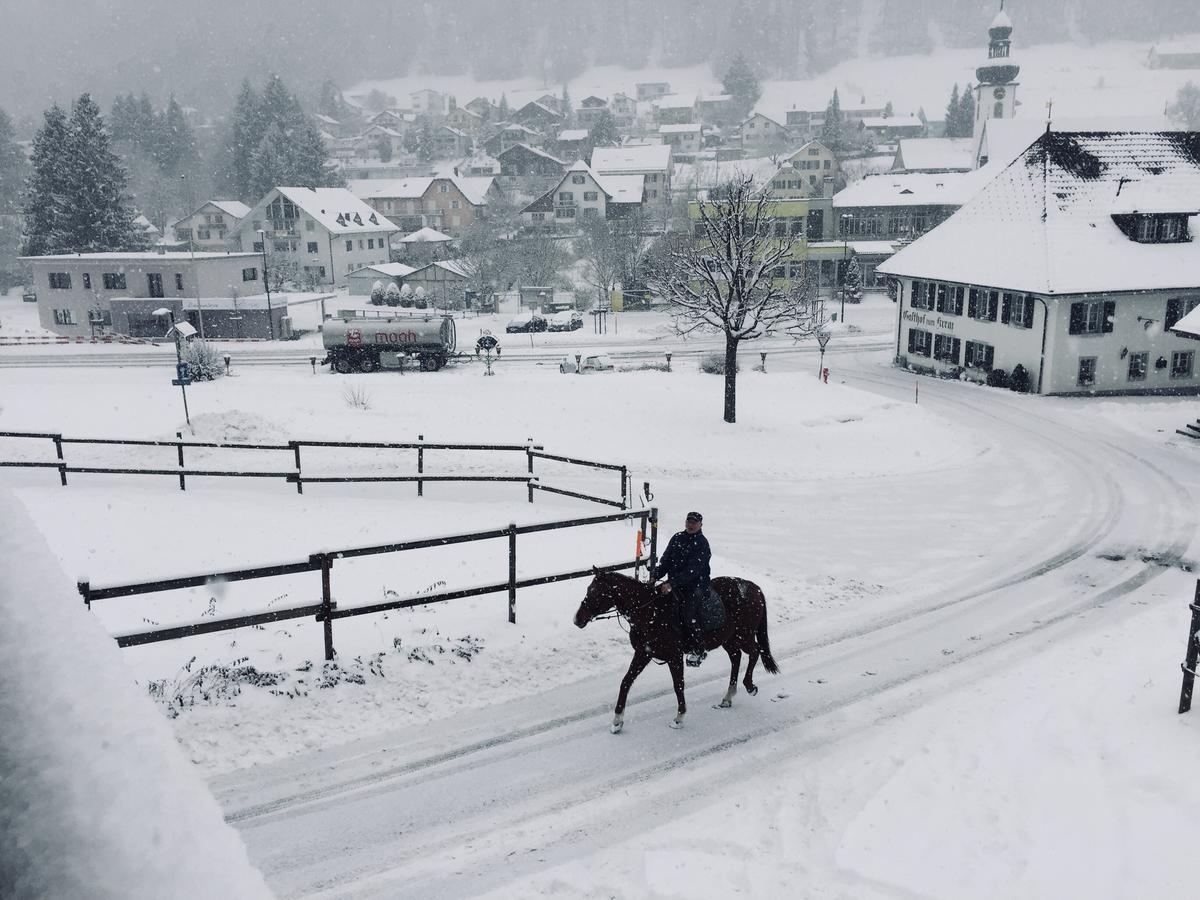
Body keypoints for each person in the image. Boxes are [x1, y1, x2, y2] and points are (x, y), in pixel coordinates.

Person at [652, 511, 711, 666]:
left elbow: (693, 570)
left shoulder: (702, 543)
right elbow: (666, 561)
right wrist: (655, 575)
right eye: (689, 521)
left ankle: (697, 649)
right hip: (674, 582)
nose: (691, 525)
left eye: (694, 522)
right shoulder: (677, 538)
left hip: (696, 584)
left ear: (700, 525)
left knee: (688, 614)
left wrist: (672, 583)